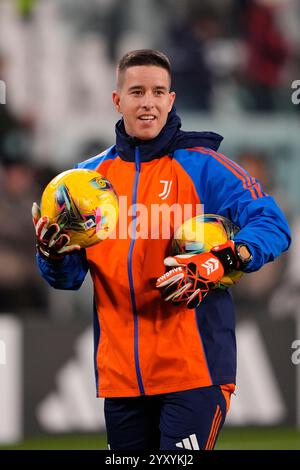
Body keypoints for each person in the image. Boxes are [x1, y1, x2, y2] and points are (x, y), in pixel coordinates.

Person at [32, 49, 291, 451]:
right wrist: (51, 253)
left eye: (158, 92)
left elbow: (273, 225)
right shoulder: (85, 183)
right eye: (136, 91)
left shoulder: (205, 166)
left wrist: (222, 259)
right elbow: (68, 280)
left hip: (195, 370)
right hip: (122, 378)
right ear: (117, 100)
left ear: (171, 100)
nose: (148, 102)